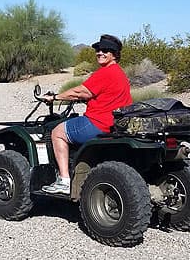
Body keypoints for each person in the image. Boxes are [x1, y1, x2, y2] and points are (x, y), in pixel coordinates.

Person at [40, 34, 132, 194]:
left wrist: (54, 97)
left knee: (57, 132)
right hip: (114, 124)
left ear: (115, 54)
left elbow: (79, 92)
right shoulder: (120, 74)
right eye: (98, 49)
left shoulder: (104, 73)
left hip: (98, 124)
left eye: (106, 50)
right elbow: (104, 96)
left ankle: (64, 180)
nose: (100, 52)